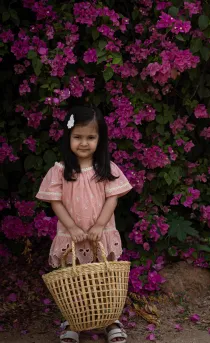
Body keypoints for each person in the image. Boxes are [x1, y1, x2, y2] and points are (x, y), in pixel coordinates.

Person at [36, 105, 132, 343]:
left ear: (100, 139)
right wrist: (73, 228)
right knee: (74, 278)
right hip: (72, 235)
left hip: (101, 233)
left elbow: (113, 198)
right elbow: (56, 203)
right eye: (77, 137)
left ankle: (111, 320)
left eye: (91, 137)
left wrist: (100, 225)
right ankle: (73, 321)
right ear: (68, 137)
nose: (84, 143)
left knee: (105, 276)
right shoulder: (59, 171)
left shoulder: (106, 169)